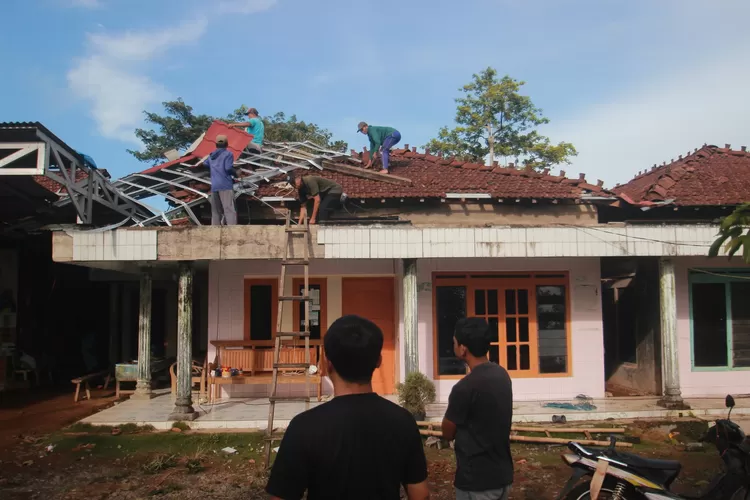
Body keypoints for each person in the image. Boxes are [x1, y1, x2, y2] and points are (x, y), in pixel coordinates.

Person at [266, 315, 430, 500]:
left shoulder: (304, 427)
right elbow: (420, 494)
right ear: (378, 361)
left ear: (327, 363)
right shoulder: (403, 421)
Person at [441, 318, 514, 500]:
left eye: (455, 342)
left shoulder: (464, 387)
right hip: (503, 476)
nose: (454, 346)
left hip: (477, 483)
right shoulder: (501, 374)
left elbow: (448, 431)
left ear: (463, 349)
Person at [202, 134, 237, 225]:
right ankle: (232, 230)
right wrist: (236, 172)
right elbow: (228, 168)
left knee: (215, 211)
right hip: (225, 185)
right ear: (227, 144)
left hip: (214, 186)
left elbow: (204, 164)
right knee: (228, 209)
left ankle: (215, 231)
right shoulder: (228, 154)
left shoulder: (211, 156)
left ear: (216, 144)